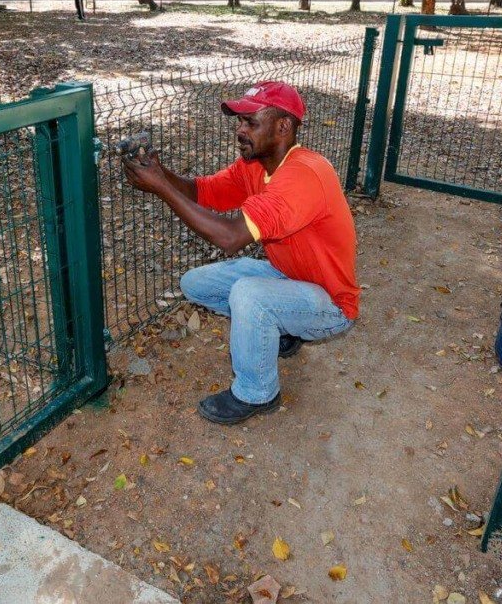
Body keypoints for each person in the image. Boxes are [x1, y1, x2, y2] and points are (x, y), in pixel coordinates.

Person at [121, 81, 358, 424]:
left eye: (250, 122)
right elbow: (202, 191)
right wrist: (161, 174)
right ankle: (280, 329)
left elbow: (229, 237)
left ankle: (257, 393)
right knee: (195, 283)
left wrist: (160, 188)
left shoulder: (304, 175)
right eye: (240, 121)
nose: (240, 130)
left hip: (331, 305)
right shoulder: (256, 165)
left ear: (283, 127)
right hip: (288, 277)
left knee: (248, 294)